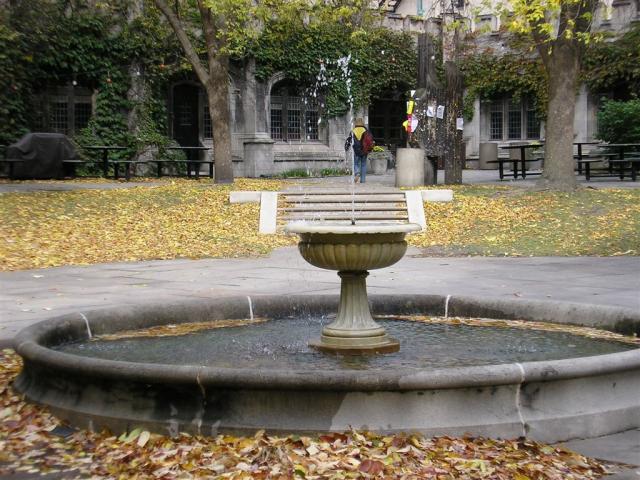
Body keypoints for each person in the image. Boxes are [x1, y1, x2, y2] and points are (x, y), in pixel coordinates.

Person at [344, 118, 373, 183]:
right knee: (363, 164)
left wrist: (346, 147)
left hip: (356, 150)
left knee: (356, 163)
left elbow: (349, 140)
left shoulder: (353, 131)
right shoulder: (366, 130)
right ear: (362, 123)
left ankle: (357, 173)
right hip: (364, 150)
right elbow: (370, 140)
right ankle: (363, 180)